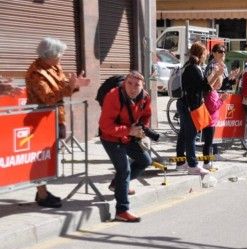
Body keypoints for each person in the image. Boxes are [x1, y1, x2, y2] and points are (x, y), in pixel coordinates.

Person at [25, 37, 90, 208]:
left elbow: (62, 88)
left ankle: (42, 191)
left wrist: (75, 85)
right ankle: (42, 193)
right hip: (39, 121)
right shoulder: (35, 73)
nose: (61, 57)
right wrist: (69, 87)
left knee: (49, 156)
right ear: (49, 55)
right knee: (40, 158)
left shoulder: (54, 66)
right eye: (59, 54)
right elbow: (48, 97)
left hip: (56, 117)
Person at [98, 71, 152, 222]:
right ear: (124, 83)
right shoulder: (113, 96)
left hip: (130, 135)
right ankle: (122, 210)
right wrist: (129, 130)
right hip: (110, 137)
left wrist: (142, 128)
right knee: (124, 169)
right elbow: (105, 125)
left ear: (143, 86)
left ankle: (118, 184)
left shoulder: (145, 97)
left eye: (137, 85)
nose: (133, 88)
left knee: (145, 161)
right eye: (129, 83)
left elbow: (147, 115)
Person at [176, 42, 214, 175]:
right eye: (205, 54)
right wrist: (214, 74)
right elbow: (204, 87)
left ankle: (180, 163)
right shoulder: (193, 68)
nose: (206, 56)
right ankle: (192, 165)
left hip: (185, 103)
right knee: (191, 135)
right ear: (200, 54)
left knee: (184, 133)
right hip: (189, 105)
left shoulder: (191, 66)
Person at [202, 73, 228, 170]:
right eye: (219, 82)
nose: (220, 85)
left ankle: (208, 161)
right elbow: (213, 107)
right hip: (209, 122)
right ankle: (206, 162)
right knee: (208, 143)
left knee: (209, 143)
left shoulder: (213, 92)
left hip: (212, 121)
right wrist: (222, 100)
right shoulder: (211, 93)